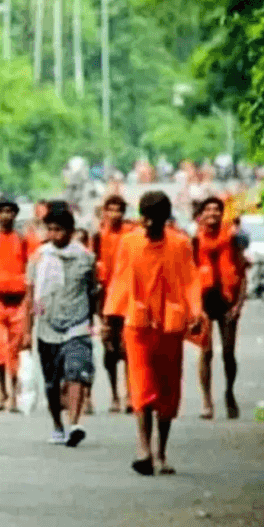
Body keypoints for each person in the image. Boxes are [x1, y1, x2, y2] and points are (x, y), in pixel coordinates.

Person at [105, 191, 202, 476]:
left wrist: (196, 313)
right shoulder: (130, 242)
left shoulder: (180, 244)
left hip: (170, 325)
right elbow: (120, 280)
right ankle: (144, 448)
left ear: (165, 219)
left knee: (168, 388)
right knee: (142, 386)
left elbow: (190, 281)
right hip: (138, 324)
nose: (148, 225)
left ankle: (161, 452)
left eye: (154, 220)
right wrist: (111, 320)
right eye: (145, 219)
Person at [27, 208, 97, 446]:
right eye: (51, 229)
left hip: (77, 325)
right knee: (52, 382)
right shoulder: (38, 258)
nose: (54, 234)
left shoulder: (86, 258)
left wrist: (96, 321)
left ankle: (75, 423)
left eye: (59, 229)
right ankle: (58, 425)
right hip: (47, 326)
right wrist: (27, 331)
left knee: (75, 371)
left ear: (71, 231)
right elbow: (30, 295)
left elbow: (94, 291)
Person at [192, 197, 246, 420]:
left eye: (217, 209)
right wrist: (195, 308)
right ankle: (206, 400)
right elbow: (187, 277)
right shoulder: (194, 241)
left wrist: (239, 303)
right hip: (204, 300)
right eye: (208, 209)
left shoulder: (232, 239)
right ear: (201, 215)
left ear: (222, 214)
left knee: (228, 352)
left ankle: (229, 392)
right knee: (206, 352)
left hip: (227, 299)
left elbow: (242, 274)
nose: (213, 213)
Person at [0, 198, 31, 411]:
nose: (6, 215)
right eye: (2, 211)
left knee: (14, 350)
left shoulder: (23, 238)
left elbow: (31, 265)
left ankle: (13, 395)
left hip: (18, 301)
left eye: (10, 211)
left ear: (15, 215)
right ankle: (2, 392)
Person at [92, 195, 136, 414]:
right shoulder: (98, 236)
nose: (115, 214)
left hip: (128, 297)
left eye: (119, 210)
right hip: (107, 298)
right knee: (109, 348)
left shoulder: (131, 234)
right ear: (105, 212)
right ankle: (114, 394)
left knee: (128, 348)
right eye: (111, 210)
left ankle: (130, 394)